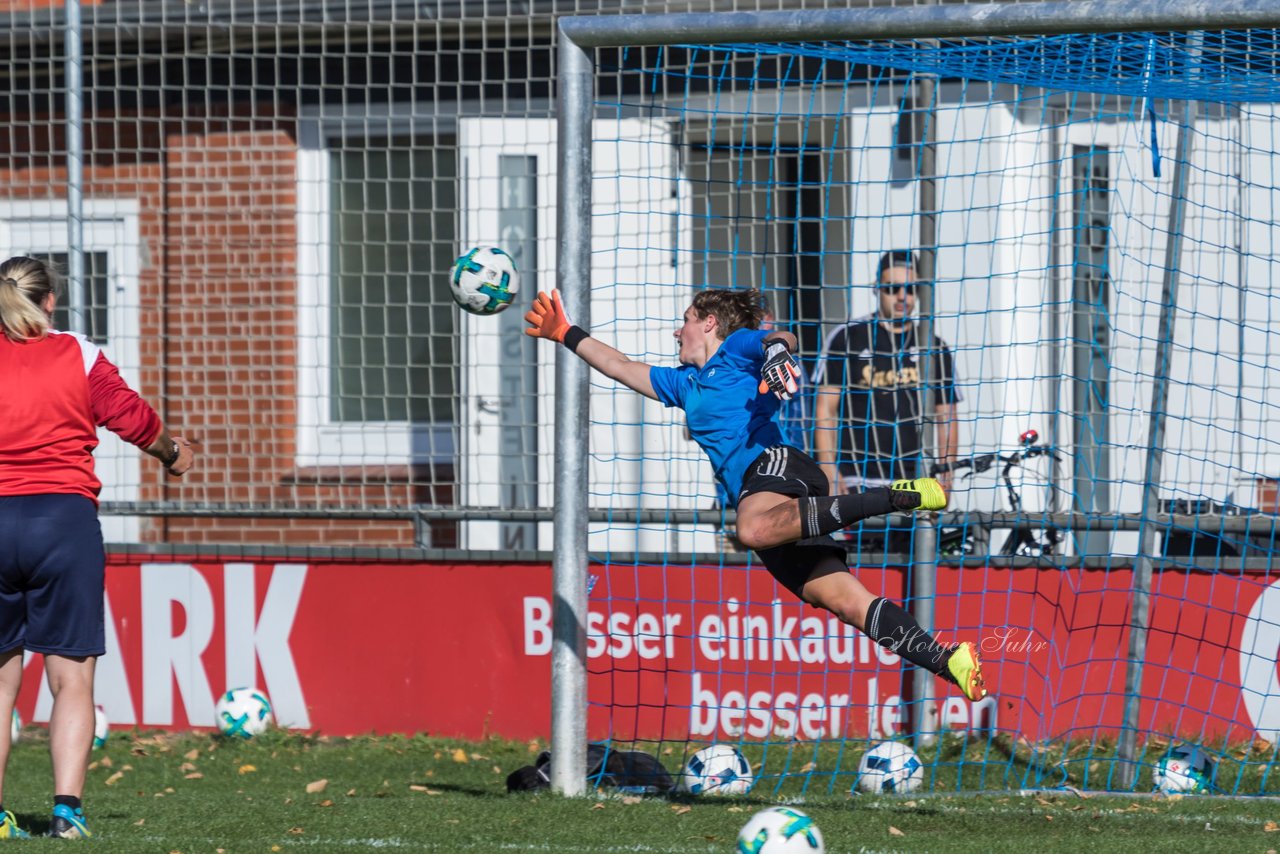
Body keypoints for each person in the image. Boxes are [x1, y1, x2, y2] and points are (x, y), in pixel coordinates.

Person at [524, 286, 987, 705]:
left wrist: (777, 355)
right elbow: (621, 366)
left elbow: (778, 337)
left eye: (684, 319)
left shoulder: (735, 350)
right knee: (845, 602)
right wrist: (565, 332)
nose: (675, 330)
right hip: (771, 501)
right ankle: (949, 661)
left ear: (708, 323)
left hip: (777, 470)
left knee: (750, 528)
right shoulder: (686, 386)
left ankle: (897, 497)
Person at [0, 256, 196, 839]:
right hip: (63, 523)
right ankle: (67, 813)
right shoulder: (77, 352)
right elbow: (130, 416)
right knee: (72, 680)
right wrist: (174, 453)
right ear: (50, 301)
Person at [813, 250, 960, 553]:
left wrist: (946, 476)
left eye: (911, 288)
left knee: (910, 570)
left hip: (914, 481)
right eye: (892, 288)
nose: (902, 296)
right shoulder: (847, 338)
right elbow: (825, 411)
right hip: (857, 479)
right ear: (877, 289)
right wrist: (829, 470)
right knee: (857, 569)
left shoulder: (933, 346)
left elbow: (948, 416)